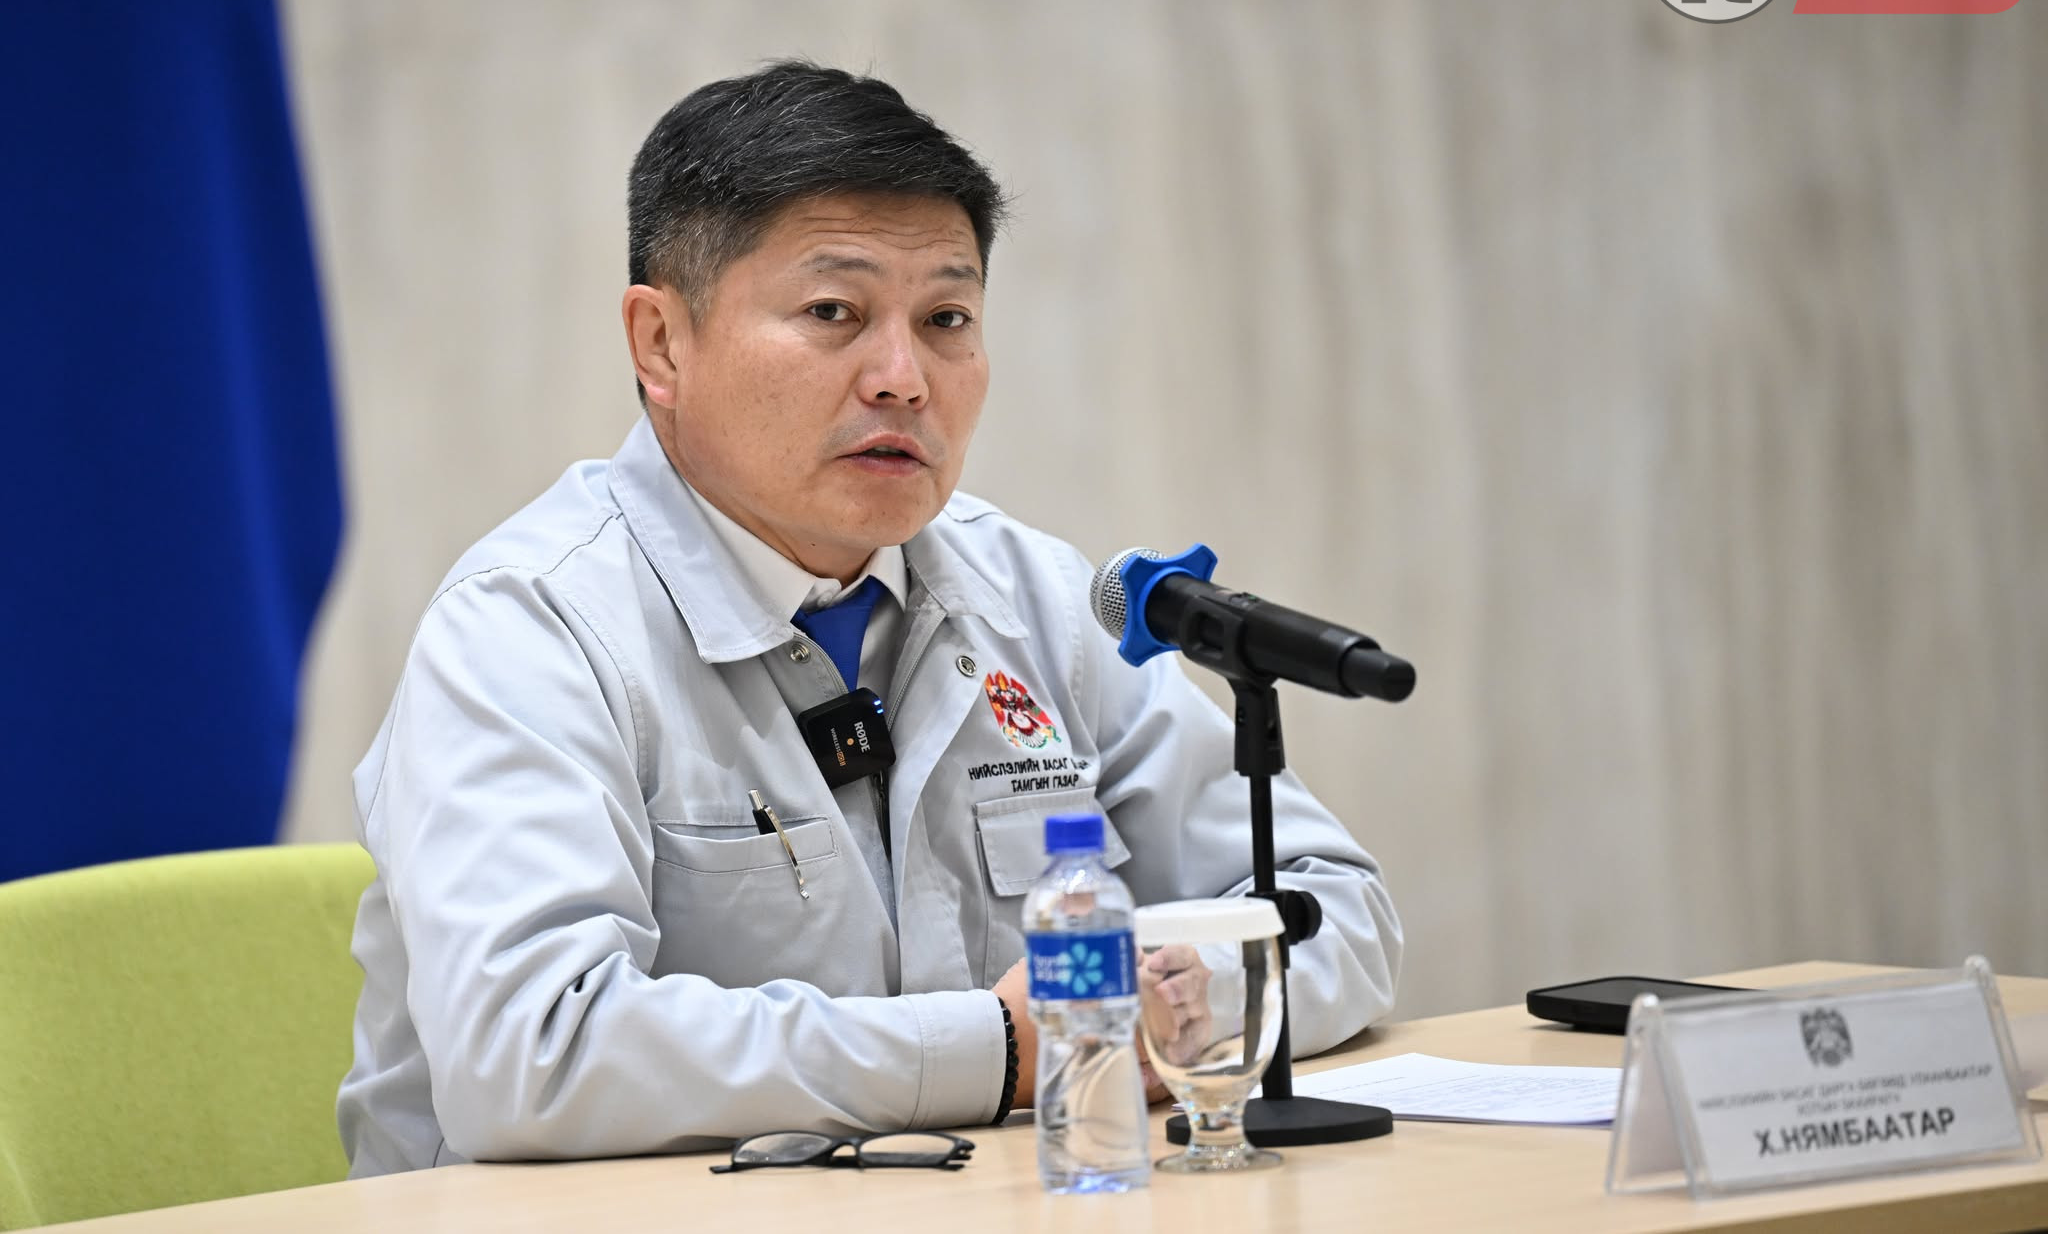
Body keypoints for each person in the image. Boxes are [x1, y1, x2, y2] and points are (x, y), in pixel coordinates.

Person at [336, 60, 1402, 1177]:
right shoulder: (529, 626)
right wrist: (998, 1048)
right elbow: (530, 1055)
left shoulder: (1032, 598)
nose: (903, 377)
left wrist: (1187, 1002)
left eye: (946, 318)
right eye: (832, 313)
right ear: (661, 343)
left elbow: (1338, 908)